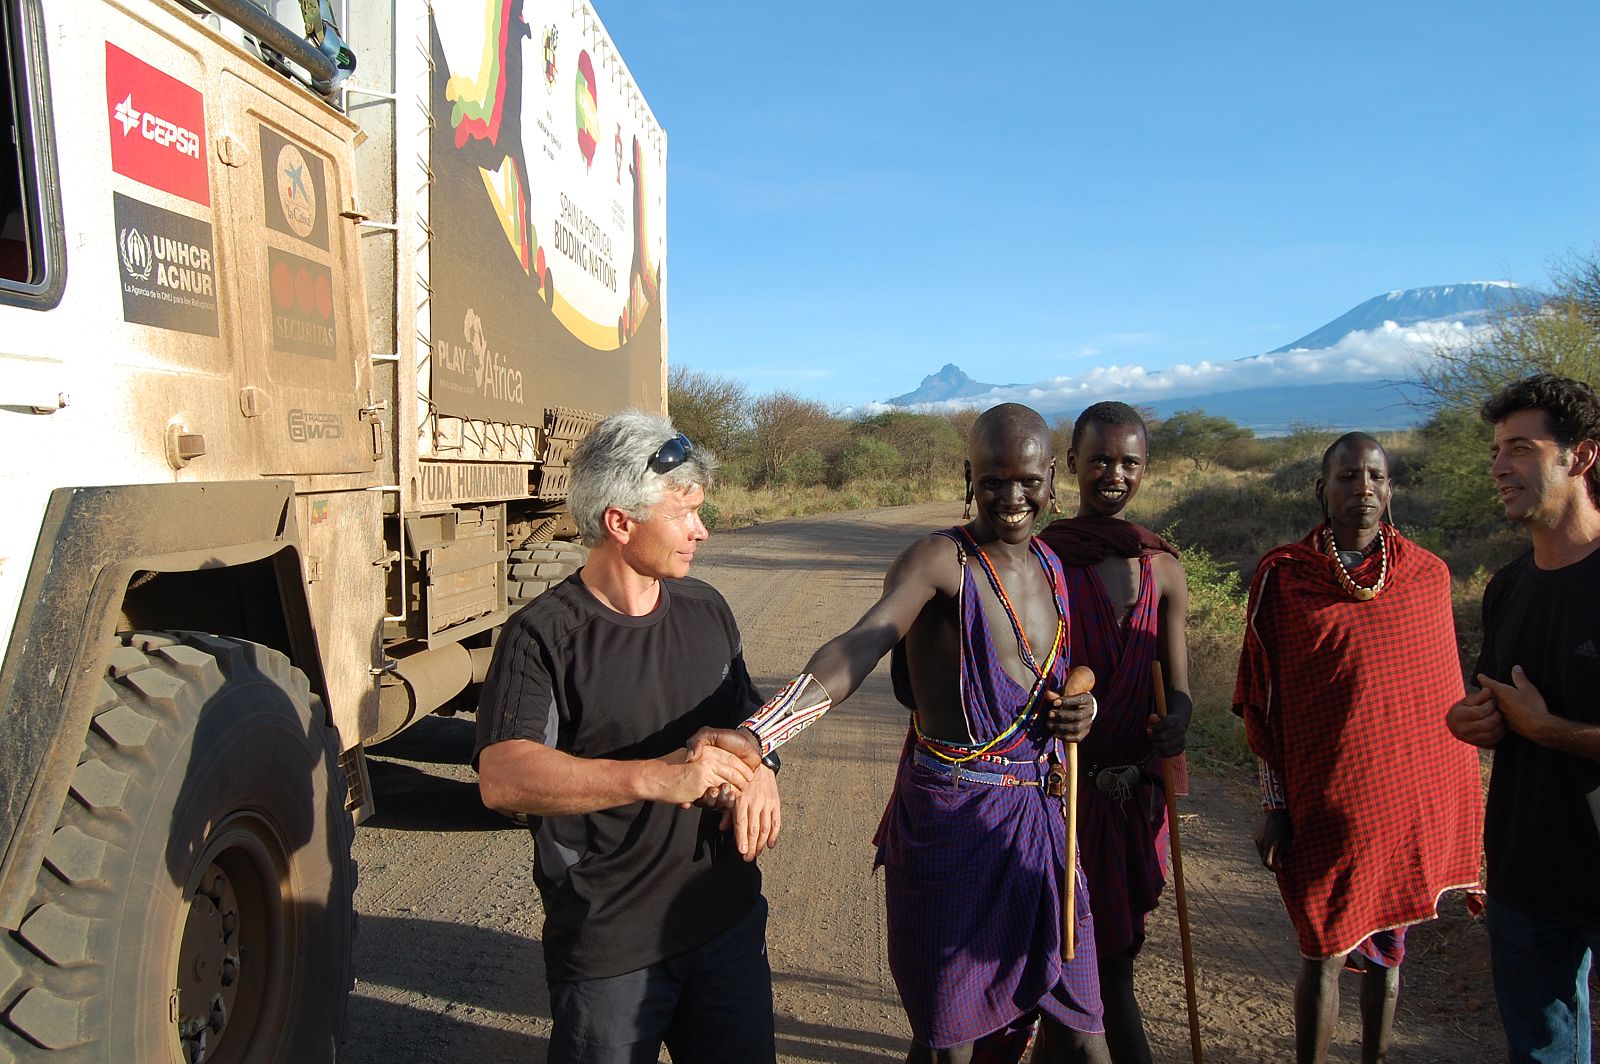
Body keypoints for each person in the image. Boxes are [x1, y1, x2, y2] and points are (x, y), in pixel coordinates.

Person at [695, 403, 1110, 1064]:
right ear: (968, 475)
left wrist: (1077, 717)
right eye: (993, 478)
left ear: (1051, 475)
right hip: (954, 819)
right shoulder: (939, 561)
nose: (1011, 496)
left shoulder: (1054, 570)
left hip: (1040, 819)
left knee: (1084, 1027)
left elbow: (1053, 686)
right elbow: (862, 644)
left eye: (1026, 479)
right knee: (947, 1039)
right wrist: (765, 732)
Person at [474, 411, 778, 1064]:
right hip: (611, 949)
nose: (702, 529)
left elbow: (746, 721)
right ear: (620, 522)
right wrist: (652, 776)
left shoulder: (706, 609)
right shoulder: (542, 635)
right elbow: (503, 777)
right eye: (683, 513)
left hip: (725, 925)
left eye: (700, 510)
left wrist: (763, 769)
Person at [1233, 432, 1483, 1064]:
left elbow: (1436, 706)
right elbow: (1264, 700)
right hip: (1324, 802)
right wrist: (1275, 803)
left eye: (1374, 476)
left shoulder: (1426, 576)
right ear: (1322, 489)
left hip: (1401, 805)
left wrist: (1455, 808)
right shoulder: (1284, 577)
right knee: (1322, 947)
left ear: (1390, 487)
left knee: (1389, 951)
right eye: (1347, 476)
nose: (1362, 488)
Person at [1445, 374, 1600, 1063]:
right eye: (1497, 452)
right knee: (1539, 1052)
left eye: (1521, 450)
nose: (1500, 468)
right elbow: (1498, 704)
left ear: (1582, 456)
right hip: (1524, 869)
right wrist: (1473, 721)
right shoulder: (1507, 586)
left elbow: (1539, 721)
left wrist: (1551, 732)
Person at [1037, 401, 1191, 1064]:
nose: (1113, 474)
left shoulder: (1164, 568)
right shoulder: (1046, 563)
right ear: (1071, 464)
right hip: (1062, 793)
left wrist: (1178, 720)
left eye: (1129, 462)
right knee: (1078, 964)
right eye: (1099, 458)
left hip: (1137, 798)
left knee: (1117, 953)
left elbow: (1176, 682)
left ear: (1146, 470)